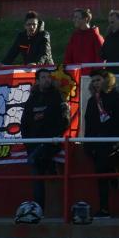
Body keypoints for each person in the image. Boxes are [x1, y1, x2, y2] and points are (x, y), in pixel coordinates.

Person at [20, 68, 70, 212]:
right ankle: (39, 210)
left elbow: (64, 120)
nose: (47, 79)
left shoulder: (57, 96)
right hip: (34, 145)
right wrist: (28, 144)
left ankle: (49, 165)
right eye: (43, 77)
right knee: (36, 171)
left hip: (51, 142)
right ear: (37, 80)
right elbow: (24, 123)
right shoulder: (33, 98)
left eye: (49, 77)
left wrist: (56, 136)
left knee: (36, 162)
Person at [83, 69, 119, 218]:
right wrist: (87, 144)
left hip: (114, 142)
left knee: (106, 169)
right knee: (101, 175)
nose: (95, 83)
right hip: (98, 144)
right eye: (93, 81)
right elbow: (89, 123)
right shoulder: (92, 100)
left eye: (98, 80)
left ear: (107, 80)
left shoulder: (116, 97)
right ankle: (104, 209)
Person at [101, 10, 119, 74]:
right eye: (110, 17)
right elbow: (103, 54)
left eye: (114, 18)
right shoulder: (108, 36)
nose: (111, 19)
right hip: (110, 72)